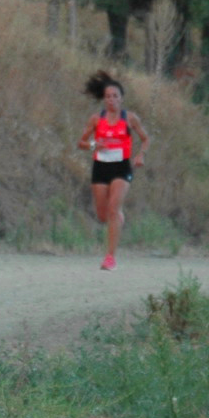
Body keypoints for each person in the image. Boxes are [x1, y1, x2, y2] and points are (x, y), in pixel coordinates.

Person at [76, 71, 148, 272]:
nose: (112, 99)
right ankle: (117, 218)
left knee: (114, 209)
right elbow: (80, 143)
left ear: (121, 98)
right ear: (103, 99)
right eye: (108, 96)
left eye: (115, 96)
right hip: (101, 167)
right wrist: (93, 145)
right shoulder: (96, 120)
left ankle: (110, 258)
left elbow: (146, 138)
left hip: (121, 167)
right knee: (102, 215)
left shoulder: (130, 118)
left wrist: (140, 155)